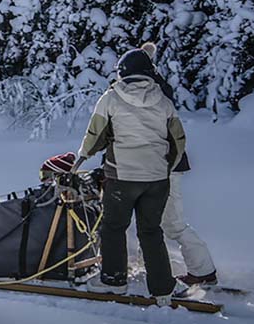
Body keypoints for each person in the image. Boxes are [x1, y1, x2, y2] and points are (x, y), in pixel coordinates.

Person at [71, 45, 188, 305]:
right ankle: (162, 288)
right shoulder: (163, 99)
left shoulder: (111, 97)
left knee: (113, 228)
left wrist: (80, 159)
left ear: (123, 73)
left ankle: (114, 281)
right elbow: (178, 139)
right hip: (157, 180)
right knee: (151, 231)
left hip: (121, 178)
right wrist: (165, 168)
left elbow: (95, 136)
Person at [134, 43, 218, 286]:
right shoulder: (158, 87)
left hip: (161, 168)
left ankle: (203, 272)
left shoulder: (149, 92)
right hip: (154, 167)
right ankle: (147, 263)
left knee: (173, 224)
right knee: (147, 220)